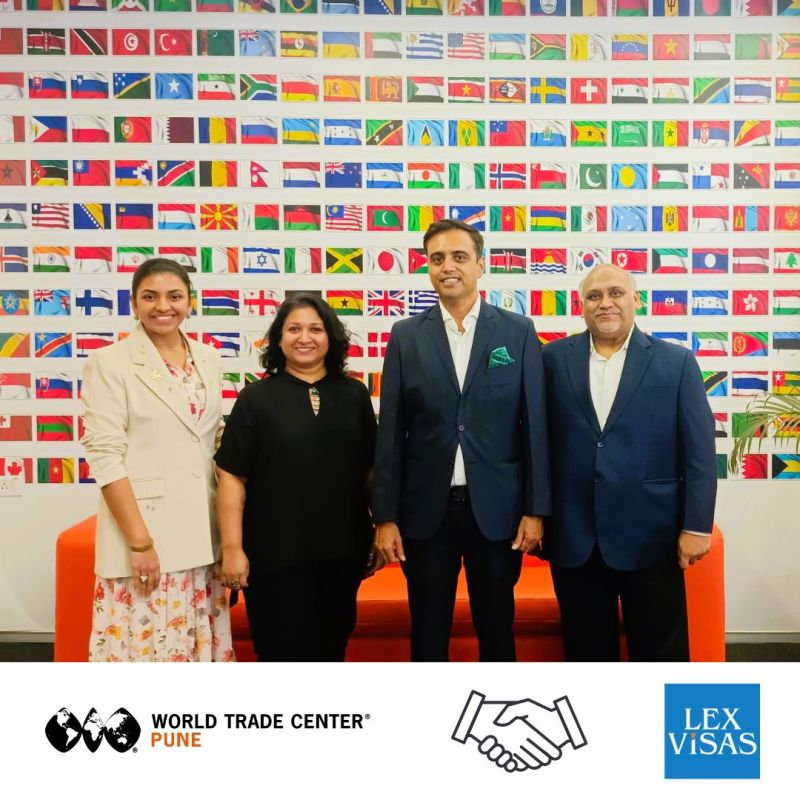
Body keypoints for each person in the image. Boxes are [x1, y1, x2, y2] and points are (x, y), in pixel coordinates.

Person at [373, 219, 550, 662]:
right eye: (437, 259)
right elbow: (391, 432)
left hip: (498, 512)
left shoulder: (517, 331)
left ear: (480, 265)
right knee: (427, 632)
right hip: (425, 513)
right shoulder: (405, 336)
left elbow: (535, 426)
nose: (447, 267)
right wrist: (386, 517)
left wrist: (535, 510)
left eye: (459, 257)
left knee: (497, 629)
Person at [542, 263, 717, 661]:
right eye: (594, 296)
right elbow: (535, 441)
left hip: (653, 537)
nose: (605, 303)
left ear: (636, 299)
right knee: (586, 657)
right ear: (581, 306)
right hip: (575, 538)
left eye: (616, 293)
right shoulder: (551, 360)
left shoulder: (676, 362)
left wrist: (696, 525)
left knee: (660, 657)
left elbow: (699, 453)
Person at [81, 258, 234, 662]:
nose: (163, 306)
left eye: (174, 296)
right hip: (147, 537)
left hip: (204, 533)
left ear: (190, 301)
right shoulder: (109, 362)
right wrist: (140, 542)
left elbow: (213, 437)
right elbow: (105, 456)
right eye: (150, 297)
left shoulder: (209, 358)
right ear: (133, 303)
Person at [214, 294, 377, 662]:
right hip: (273, 556)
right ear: (278, 338)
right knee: (280, 652)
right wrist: (233, 549)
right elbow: (232, 477)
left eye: (315, 329)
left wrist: (380, 526)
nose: (305, 338)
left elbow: (370, 469)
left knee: (332, 649)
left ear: (331, 337)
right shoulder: (255, 398)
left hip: (341, 553)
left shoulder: (354, 395)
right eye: (294, 329)